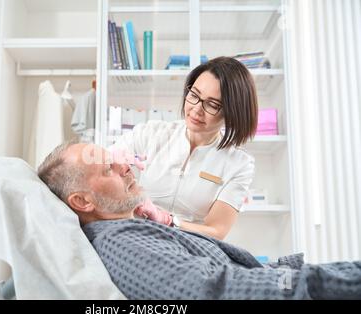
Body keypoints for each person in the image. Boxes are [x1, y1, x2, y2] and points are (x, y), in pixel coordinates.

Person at [38, 142, 361, 300]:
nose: (125, 166)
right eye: (108, 168)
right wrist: (329, 282)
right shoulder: (119, 243)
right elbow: (214, 291)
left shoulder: (133, 226)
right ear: (82, 201)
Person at [110, 56, 259, 240]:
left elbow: (216, 230)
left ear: (233, 112)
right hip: (136, 238)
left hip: (191, 249)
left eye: (212, 104)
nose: (196, 109)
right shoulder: (149, 134)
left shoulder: (239, 164)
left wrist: (168, 221)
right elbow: (100, 167)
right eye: (194, 95)